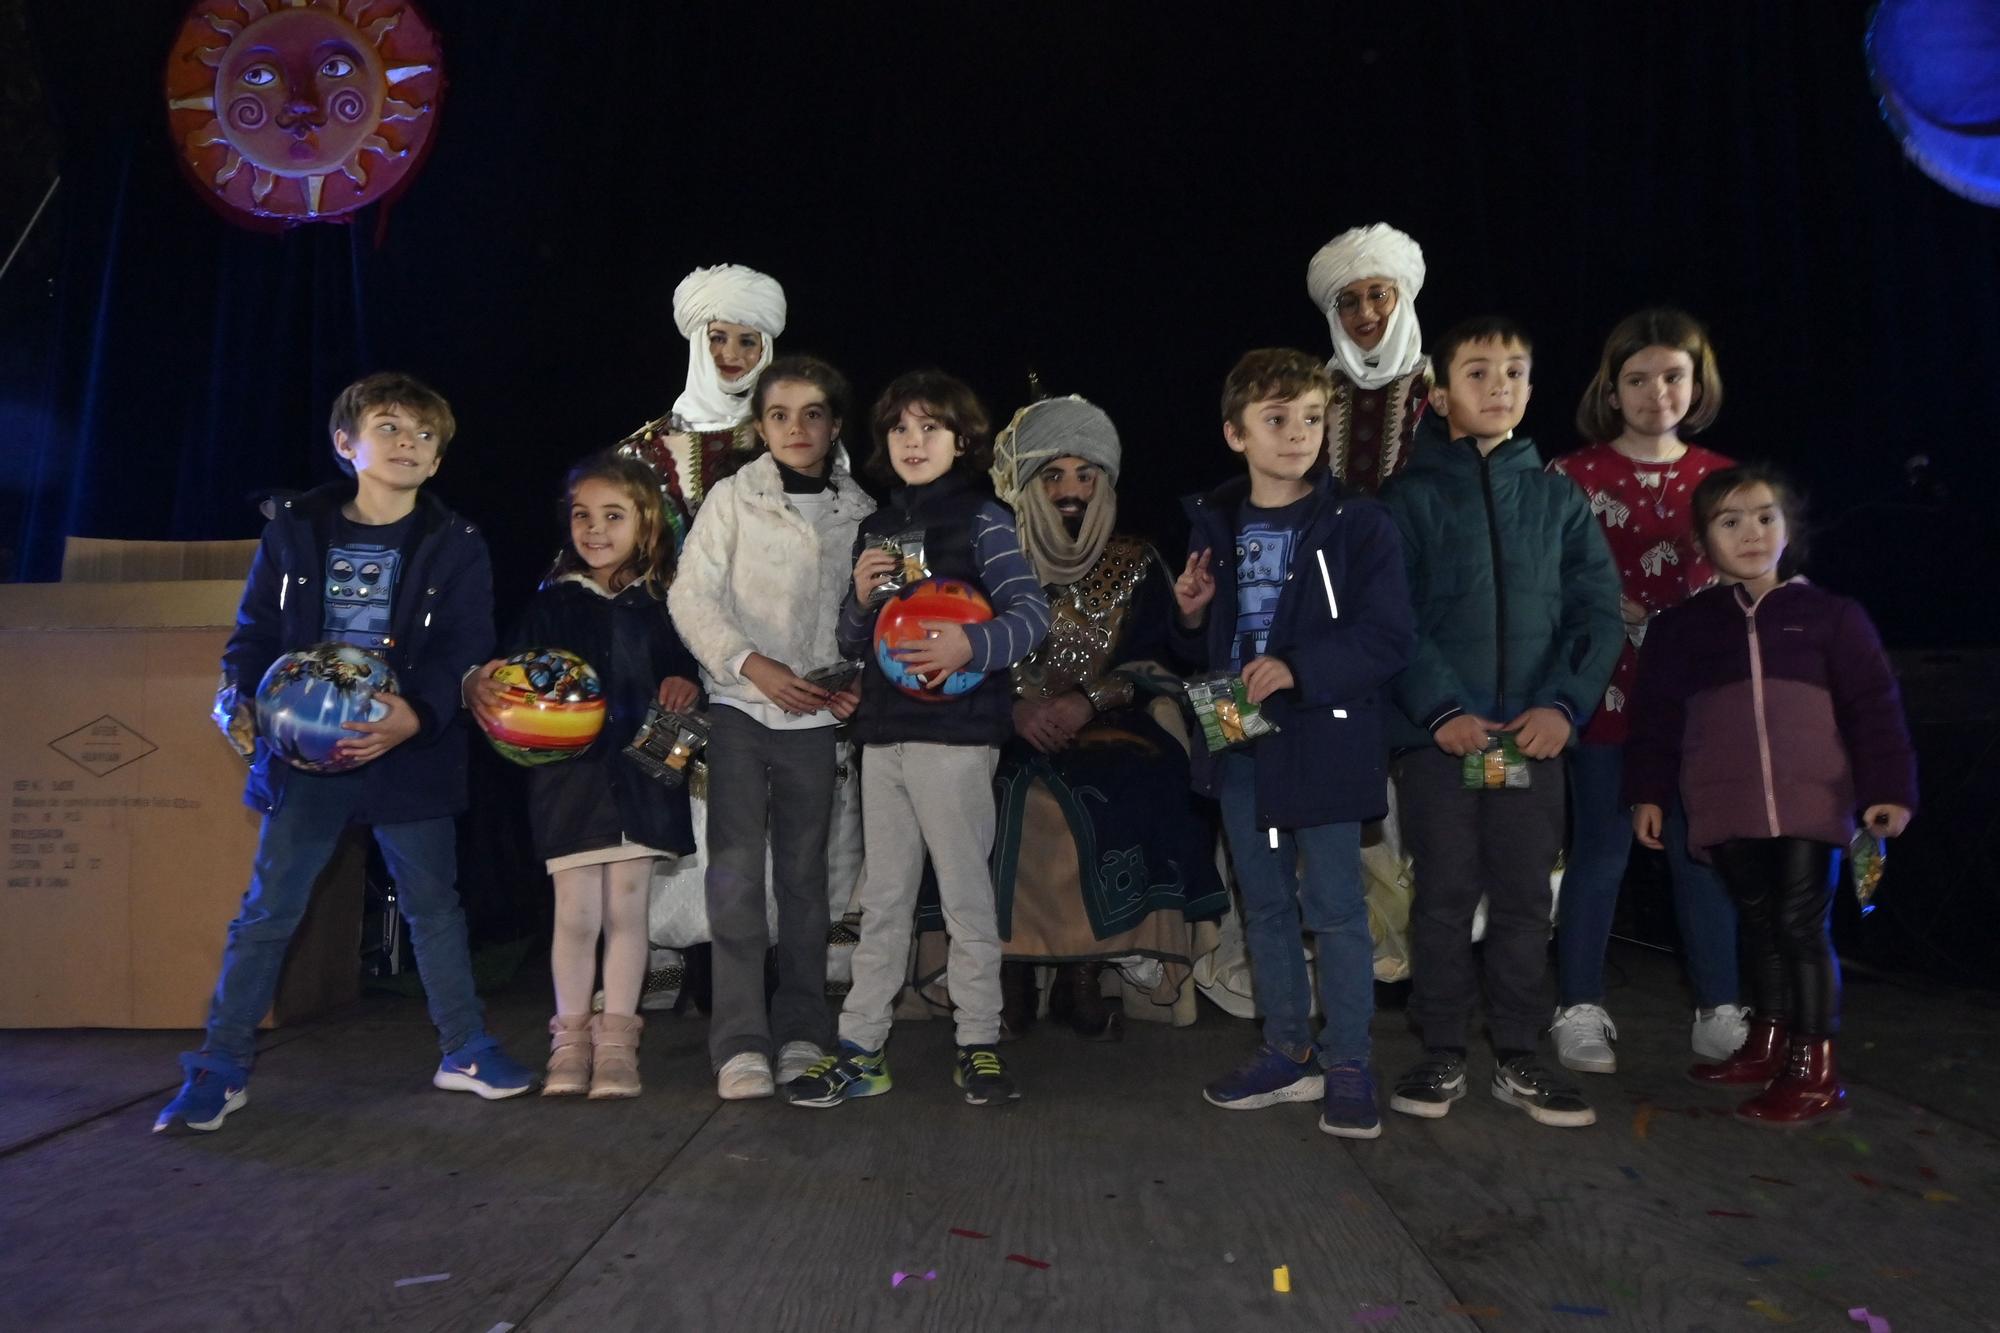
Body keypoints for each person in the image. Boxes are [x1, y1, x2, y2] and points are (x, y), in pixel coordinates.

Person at [157, 372, 531, 1133]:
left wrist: (417, 716)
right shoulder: (295, 529)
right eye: (390, 427)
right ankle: (220, 1067)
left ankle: (463, 1047)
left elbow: (467, 647)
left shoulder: (455, 542)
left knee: (434, 907)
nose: (408, 444)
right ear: (344, 443)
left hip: (406, 752)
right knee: (269, 912)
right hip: (302, 759)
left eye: (425, 436)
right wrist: (242, 694)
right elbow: (254, 634)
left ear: (437, 461)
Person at [1380, 318, 1624, 1129]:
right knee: (1444, 894)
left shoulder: (1556, 498)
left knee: (1524, 897)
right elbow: (1393, 619)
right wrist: (1441, 709)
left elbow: (1596, 614)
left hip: (1533, 739)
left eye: (1514, 370)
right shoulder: (1408, 498)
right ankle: (1441, 1046)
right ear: (1441, 394)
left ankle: (1518, 1052)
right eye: (1478, 371)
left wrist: (1561, 706)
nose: (1499, 385)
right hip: (1441, 740)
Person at [787, 371, 1051, 1108]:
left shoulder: (984, 519)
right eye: (900, 428)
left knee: (965, 896)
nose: (912, 441)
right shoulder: (876, 528)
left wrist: (974, 647)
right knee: (885, 900)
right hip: (884, 735)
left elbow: (1032, 614)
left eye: (930, 427)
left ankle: (979, 1043)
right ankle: (862, 1047)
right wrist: (860, 600)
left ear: (962, 441)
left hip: (958, 739)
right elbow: (853, 639)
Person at [1624, 465, 1917, 1126]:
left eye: (1764, 517)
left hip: (1813, 800)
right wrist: (1648, 792)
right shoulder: (1681, 628)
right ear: (1702, 540)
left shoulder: (1833, 617)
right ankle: (1769, 1040)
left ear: (1789, 529)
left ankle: (1814, 1068)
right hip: (1726, 804)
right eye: (1730, 521)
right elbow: (1657, 720)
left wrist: (1887, 789)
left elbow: (1875, 708)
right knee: (1757, 920)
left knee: (1799, 923)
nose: (1750, 532)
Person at [1171, 349, 1415, 1139]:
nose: (1299, 434)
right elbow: (1193, 651)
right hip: (1241, 740)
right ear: (1235, 433)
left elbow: (1388, 638)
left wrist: (1300, 668)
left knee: (1337, 906)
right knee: (1265, 903)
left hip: (1326, 739)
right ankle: (1286, 1051)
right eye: (1277, 419)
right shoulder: (1214, 521)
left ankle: (1349, 1062)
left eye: (1313, 418)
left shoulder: (1359, 523)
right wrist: (1189, 614)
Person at [985, 395, 1226, 1041]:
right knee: (998, 792)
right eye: (1053, 475)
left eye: (1085, 474)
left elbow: (1165, 656)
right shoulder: (987, 557)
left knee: (1132, 782)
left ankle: (1082, 975)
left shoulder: (1135, 559)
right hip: (1001, 723)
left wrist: (1085, 700)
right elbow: (959, 655)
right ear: (1027, 483)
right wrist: (1012, 709)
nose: (1070, 490)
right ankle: (1004, 976)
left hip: (1108, 718)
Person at [669, 356, 876, 1099]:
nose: (797, 427)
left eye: (813, 413)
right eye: (780, 414)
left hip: (814, 725)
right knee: (734, 882)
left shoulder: (861, 511)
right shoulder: (731, 499)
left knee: (806, 881)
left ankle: (800, 1031)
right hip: (737, 712)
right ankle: (739, 1040)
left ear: (835, 426)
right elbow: (691, 597)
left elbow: (867, 620)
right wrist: (748, 664)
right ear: (759, 426)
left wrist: (852, 684)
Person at [466, 454, 700, 1099]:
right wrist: (488, 686)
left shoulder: (665, 603)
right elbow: (511, 680)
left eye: (613, 516)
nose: (595, 529)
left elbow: (692, 669)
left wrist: (687, 681)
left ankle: (619, 1043)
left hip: (647, 774)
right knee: (574, 913)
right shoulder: (551, 602)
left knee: (629, 911)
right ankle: (569, 1040)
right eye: (582, 516)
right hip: (568, 780)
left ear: (647, 523)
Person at [1548, 309, 1744, 1073]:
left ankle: (1719, 1007)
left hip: (1696, 703)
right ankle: (1579, 1006)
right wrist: (1607, 611)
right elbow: (1546, 582)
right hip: (1604, 689)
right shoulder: (1571, 477)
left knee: (1701, 848)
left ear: (1696, 386)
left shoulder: (1722, 480)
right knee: (1601, 846)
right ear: (1612, 387)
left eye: (1672, 376)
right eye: (1637, 378)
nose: (1655, 392)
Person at [616, 263, 789, 548]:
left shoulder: (798, 437)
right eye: (717, 338)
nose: (731, 354)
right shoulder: (640, 451)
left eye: (747, 341)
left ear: (764, 349)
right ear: (697, 342)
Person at [1304, 222, 1433, 494]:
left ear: (1402, 300)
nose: (1365, 312)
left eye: (1378, 295)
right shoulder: (1316, 390)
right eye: (1349, 302)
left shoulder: (1441, 382)